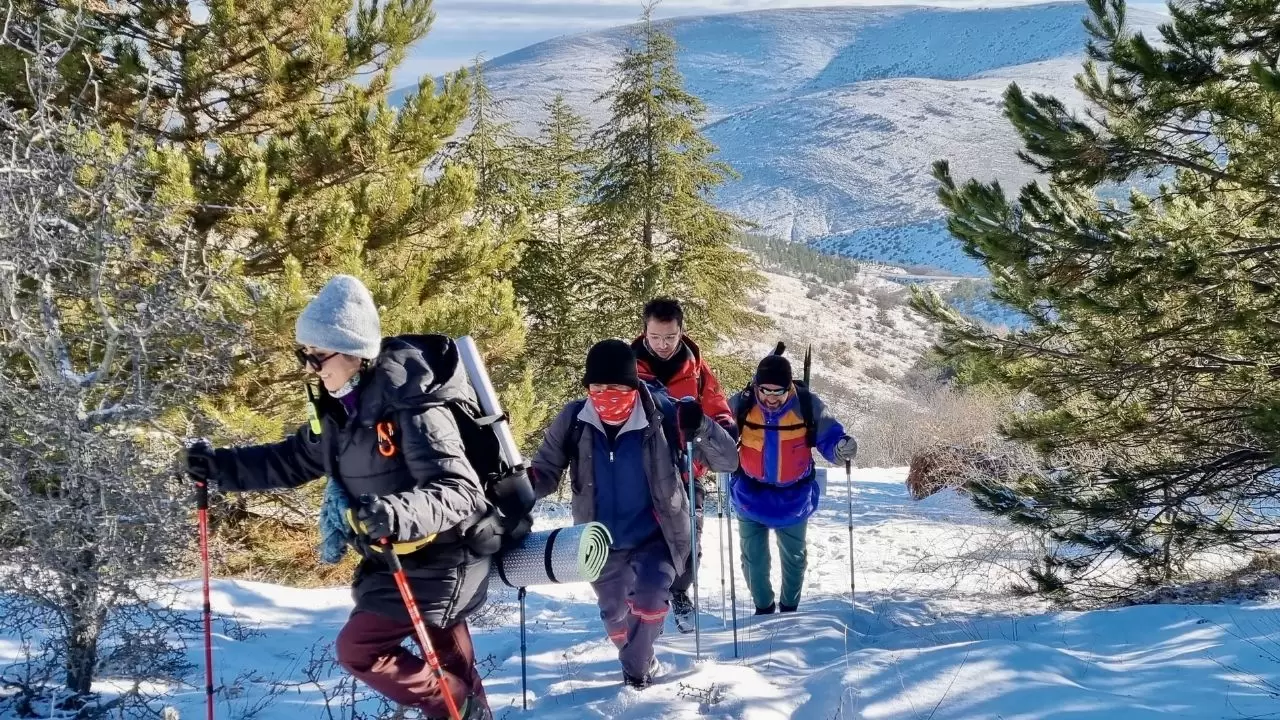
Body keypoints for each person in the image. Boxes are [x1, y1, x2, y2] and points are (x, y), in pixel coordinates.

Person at [183, 275, 495, 719]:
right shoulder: (339, 411)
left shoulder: (413, 405)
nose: (310, 367)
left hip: (444, 559)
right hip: (396, 556)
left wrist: (395, 512)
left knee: (361, 649)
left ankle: (462, 704)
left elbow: (459, 491)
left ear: (354, 352)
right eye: (304, 355)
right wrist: (220, 467)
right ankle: (468, 707)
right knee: (446, 660)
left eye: (317, 356)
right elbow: (293, 460)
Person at [527, 339, 739, 688]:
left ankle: (637, 670)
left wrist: (702, 426)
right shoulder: (574, 419)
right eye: (597, 387)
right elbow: (545, 471)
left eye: (615, 387)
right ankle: (640, 660)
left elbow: (727, 460)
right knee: (614, 615)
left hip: (657, 532)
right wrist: (517, 490)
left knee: (652, 598)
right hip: (599, 539)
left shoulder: (664, 413)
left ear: (632, 385)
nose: (606, 394)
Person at [630, 297, 736, 633]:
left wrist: (717, 426)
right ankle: (645, 603)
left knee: (689, 544)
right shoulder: (628, 369)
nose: (662, 345)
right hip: (642, 474)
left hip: (688, 472)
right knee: (642, 542)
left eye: (670, 337)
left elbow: (720, 411)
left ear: (681, 332)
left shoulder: (698, 371)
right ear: (644, 332)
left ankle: (678, 591)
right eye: (656, 337)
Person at [730, 352, 857, 615]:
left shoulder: (807, 405)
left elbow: (829, 435)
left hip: (794, 497)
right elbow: (720, 432)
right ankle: (763, 610)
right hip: (749, 494)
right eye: (765, 391)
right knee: (753, 560)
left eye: (779, 392)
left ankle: (789, 611)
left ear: (789, 387)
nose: (771, 398)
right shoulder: (742, 404)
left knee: (794, 559)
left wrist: (840, 447)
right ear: (756, 385)